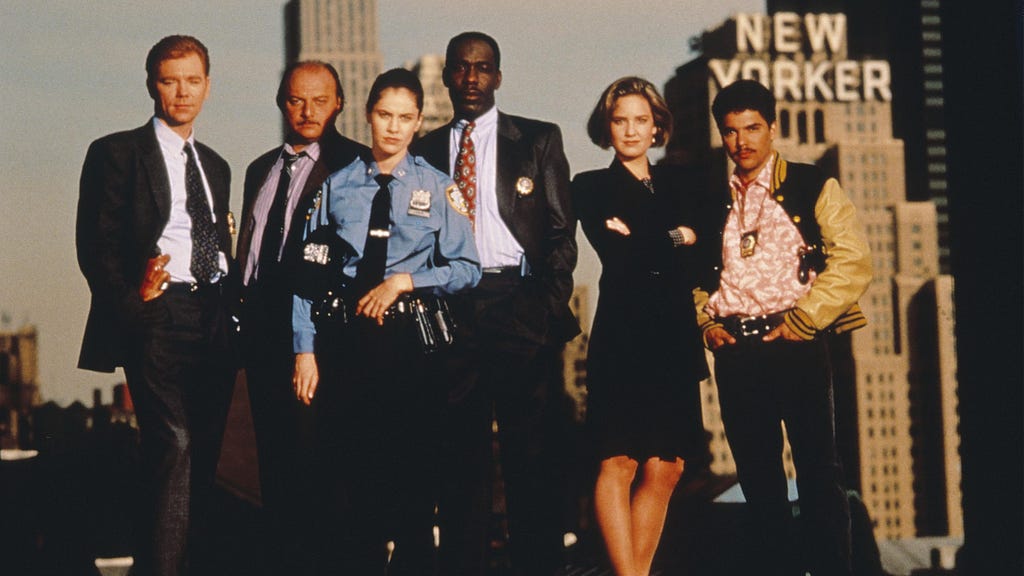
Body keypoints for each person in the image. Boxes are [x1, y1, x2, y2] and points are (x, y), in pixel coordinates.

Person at [291, 68, 480, 576]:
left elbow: (468, 269)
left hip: (412, 348)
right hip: (348, 345)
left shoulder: (439, 189)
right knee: (352, 491)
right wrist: (304, 349)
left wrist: (407, 281)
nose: (393, 127)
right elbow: (307, 275)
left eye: (405, 117)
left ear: (419, 122)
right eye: (383, 115)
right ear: (367, 115)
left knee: (415, 490)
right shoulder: (337, 187)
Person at [413, 31, 579, 576]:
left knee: (531, 459)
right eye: (460, 69)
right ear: (446, 77)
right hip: (453, 307)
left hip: (518, 304)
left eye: (482, 69)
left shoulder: (537, 139)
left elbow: (560, 234)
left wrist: (542, 309)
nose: (471, 79)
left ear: (498, 77)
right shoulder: (427, 148)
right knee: (459, 463)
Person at [694, 79, 872, 575]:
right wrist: (704, 323)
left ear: (773, 128)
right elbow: (695, 277)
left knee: (819, 473)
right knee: (759, 480)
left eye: (752, 128)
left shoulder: (814, 184)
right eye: (730, 132)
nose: (742, 141)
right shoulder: (712, 200)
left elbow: (854, 262)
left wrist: (804, 319)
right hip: (736, 349)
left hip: (796, 343)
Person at [75, 35, 236, 576]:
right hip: (157, 317)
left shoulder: (216, 165)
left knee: (204, 458)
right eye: (170, 80)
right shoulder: (116, 152)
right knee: (176, 445)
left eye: (192, 80)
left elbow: (218, 239)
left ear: (208, 86)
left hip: (213, 317)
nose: (182, 92)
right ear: (152, 85)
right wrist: (134, 303)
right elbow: (94, 246)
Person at [234, 60, 368, 575]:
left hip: (327, 343)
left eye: (319, 99)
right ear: (280, 102)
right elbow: (248, 253)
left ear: (338, 103)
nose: (307, 110)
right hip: (263, 340)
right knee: (276, 474)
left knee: (329, 475)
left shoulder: (356, 164)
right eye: (296, 99)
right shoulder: (259, 169)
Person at [572, 77, 708, 576]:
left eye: (641, 120)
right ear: (607, 128)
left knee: (667, 465)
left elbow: (703, 246)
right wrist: (678, 235)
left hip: (673, 336)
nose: (630, 130)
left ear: (658, 128)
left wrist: (656, 238)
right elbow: (625, 256)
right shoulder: (589, 187)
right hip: (624, 337)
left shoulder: (681, 182)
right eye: (620, 120)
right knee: (619, 461)